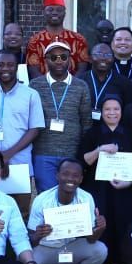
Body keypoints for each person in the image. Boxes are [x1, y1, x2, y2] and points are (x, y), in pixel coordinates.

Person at [27, 158, 108, 264]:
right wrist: (38, 235)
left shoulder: (86, 198)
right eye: (65, 174)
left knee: (100, 250)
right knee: (24, 261)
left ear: (81, 179)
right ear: (57, 175)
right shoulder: (41, 199)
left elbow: (91, 239)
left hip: (71, 247)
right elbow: (30, 240)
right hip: (46, 248)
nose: (70, 178)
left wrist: (100, 228)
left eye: (75, 175)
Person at [79, 95, 132, 264]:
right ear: (101, 112)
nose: (112, 113)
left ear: (122, 112)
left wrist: (130, 180)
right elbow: (83, 160)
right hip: (98, 189)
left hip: (123, 190)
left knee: (122, 226)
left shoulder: (131, 133)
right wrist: (99, 150)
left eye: (116, 109)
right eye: (107, 109)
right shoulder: (92, 133)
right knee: (100, 225)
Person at [0, 49, 43, 216]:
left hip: (21, 164)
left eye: (10, 65)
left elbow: (35, 129)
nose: (5, 68)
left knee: (21, 212)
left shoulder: (31, 94)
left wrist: (8, 155)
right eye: (0, 65)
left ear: (17, 67)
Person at [29, 41, 93, 191]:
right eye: (54, 57)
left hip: (72, 153)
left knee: (69, 197)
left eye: (63, 57)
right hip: (43, 153)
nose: (59, 61)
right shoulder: (34, 85)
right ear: (46, 60)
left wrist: (81, 152)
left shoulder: (81, 86)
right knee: (46, 196)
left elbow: (86, 122)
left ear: (70, 59)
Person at [26, 0, 89, 75]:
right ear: (44, 12)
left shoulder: (79, 40)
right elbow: (34, 71)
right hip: (43, 86)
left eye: (59, 10)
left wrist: (72, 86)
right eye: (50, 10)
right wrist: (45, 86)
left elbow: (82, 70)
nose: (55, 13)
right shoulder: (34, 41)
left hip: (73, 86)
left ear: (64, 13)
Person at [81, 43, 132, 116]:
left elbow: (130, 113)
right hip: (84, 126)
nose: (103, 58)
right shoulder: (80, 81)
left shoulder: (125, 84)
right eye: (98, 54)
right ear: (90, 58)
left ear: (113, 59)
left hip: (112, 126)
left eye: (108, 55)